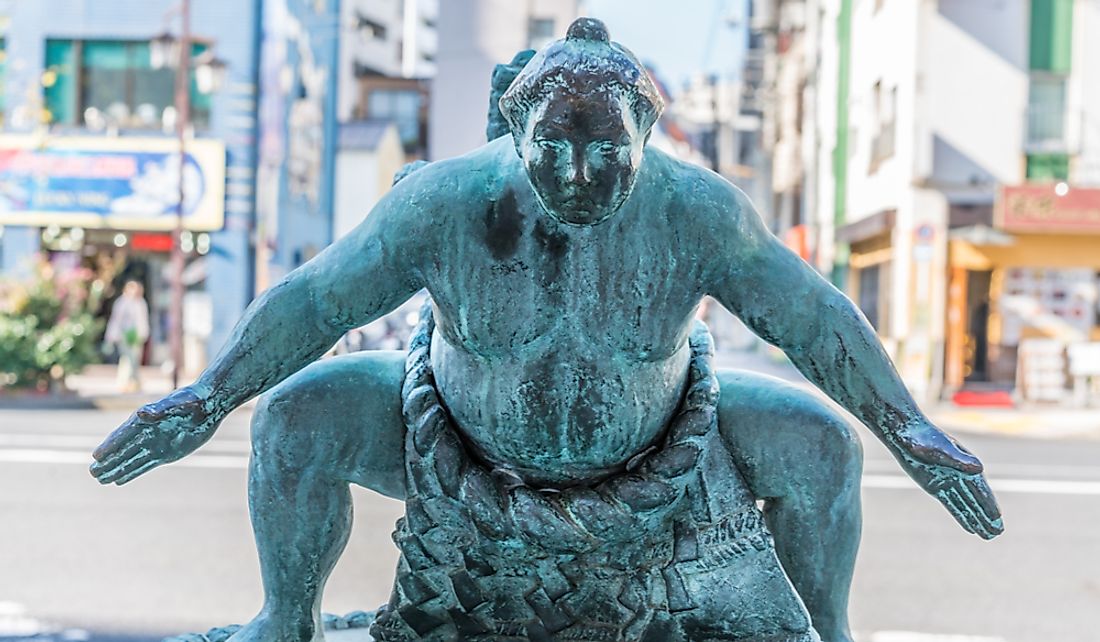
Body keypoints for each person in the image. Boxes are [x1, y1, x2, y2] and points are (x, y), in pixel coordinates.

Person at [91, 19, 1001, 642]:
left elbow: (814, 319)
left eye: (608, 153)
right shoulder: (442, 203)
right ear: (514, 133)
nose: (578, 173)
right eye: (552, 150)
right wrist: (205, 398)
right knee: (294, 420)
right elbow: (318, 301)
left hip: (662, 453)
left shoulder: (698, 214)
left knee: (822, 449)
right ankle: (281, 620)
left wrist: (911, 430)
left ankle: (829, 633)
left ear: (646, 137)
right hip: (453, 438)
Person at [103, 280, 149, 393]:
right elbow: (116, 320)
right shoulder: (122, 303)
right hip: (123, 336)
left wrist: (143, 334)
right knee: (127, 359)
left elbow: (143, 320)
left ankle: (134, 382)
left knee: (134, 359)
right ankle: (126, 382)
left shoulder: (140, 303)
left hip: (136, 336)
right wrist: (111, 336)